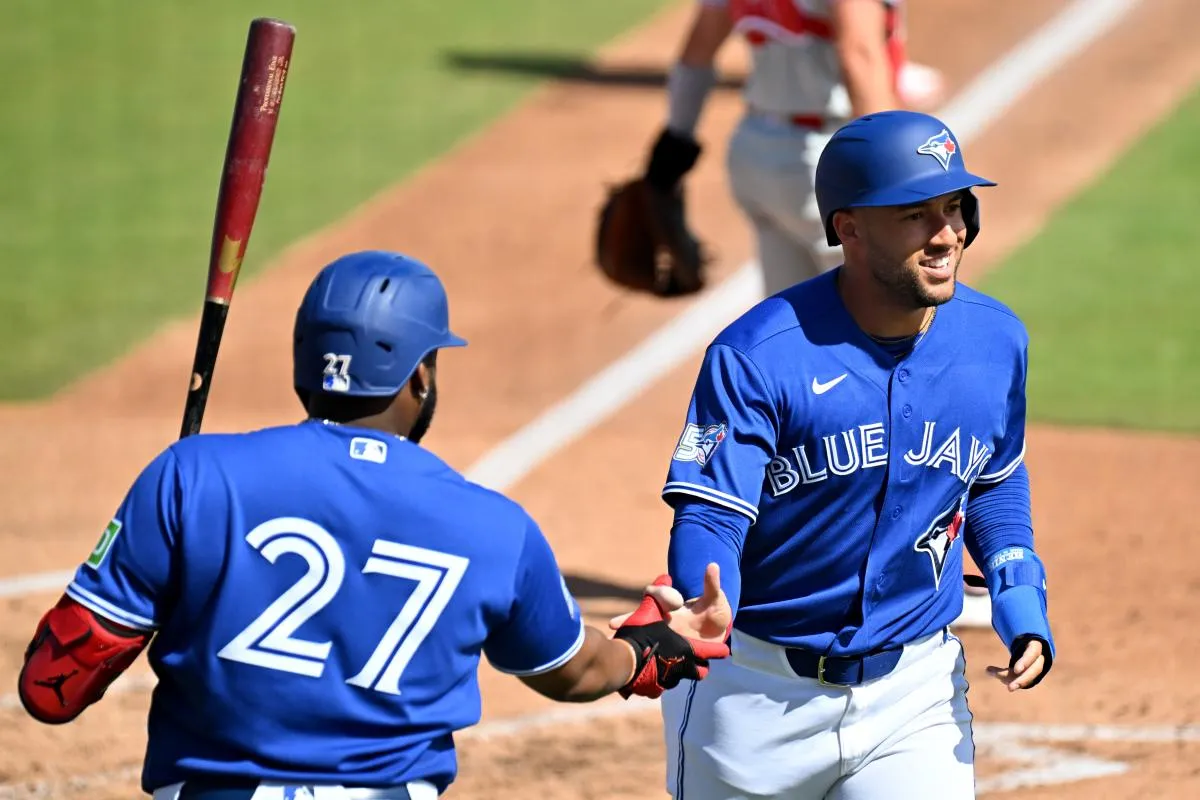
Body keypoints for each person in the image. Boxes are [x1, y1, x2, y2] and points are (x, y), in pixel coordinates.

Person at [17, 250, 732, 799]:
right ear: (419, 376)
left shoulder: (192, 476)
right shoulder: (492, 526)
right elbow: (573, 671)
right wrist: (646, 653)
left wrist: (152, 604)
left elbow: (53, 689)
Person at [655, 110, 1055, 799]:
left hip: (914, 698)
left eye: (955, 208)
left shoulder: (995, 343)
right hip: (753, 698)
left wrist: (1019, 585)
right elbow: (710, 514)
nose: (946, 233)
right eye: (914, 215)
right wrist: (704, 597)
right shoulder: (759, 357)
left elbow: (993, 479)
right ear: (848, 227)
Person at [641, 0, 944, 298]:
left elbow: (697, 53)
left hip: (757, 153)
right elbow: (860, 57)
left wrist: (670, 153)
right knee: (889, 314)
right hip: (826, 163)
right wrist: (895, 176)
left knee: (795, 326)